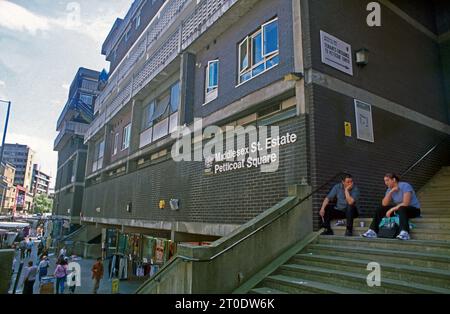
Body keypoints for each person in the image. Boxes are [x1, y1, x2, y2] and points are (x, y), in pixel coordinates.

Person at [363, 173, 421, 241]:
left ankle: (405, 233)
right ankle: (373, 231)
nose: (385, 183)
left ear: (394, 180)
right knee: (380, 209)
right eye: (384, 181)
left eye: (387, 180)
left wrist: (391, 210)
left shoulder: (405, 185)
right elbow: (384, 204)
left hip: (413, 210)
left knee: (401, 208)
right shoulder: (389, 189)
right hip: (400, 210)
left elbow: (406, 203)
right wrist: (391, 192)